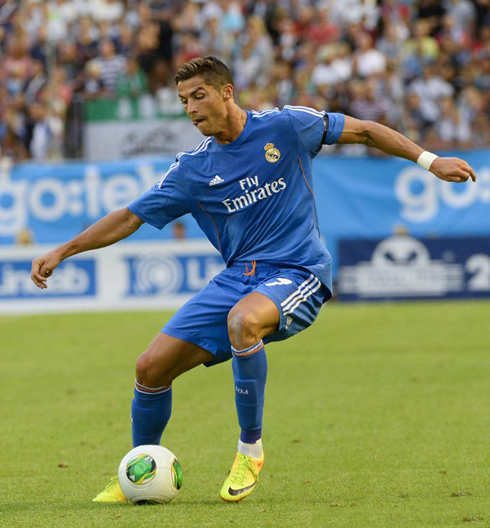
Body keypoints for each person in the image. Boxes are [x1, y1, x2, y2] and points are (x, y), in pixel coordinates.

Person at [31, 56, 477, 503]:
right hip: (237, 278)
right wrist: (63, 251)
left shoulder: (287, 127)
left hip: (299, 270)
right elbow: (130, 217)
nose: (190, 108)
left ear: (227, 92)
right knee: (150, 367)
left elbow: (364, 130)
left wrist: (429, 160)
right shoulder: (193, 170)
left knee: (244, 322)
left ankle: (250, 450)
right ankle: (139, 471)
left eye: (199, 96)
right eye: (184, 101)